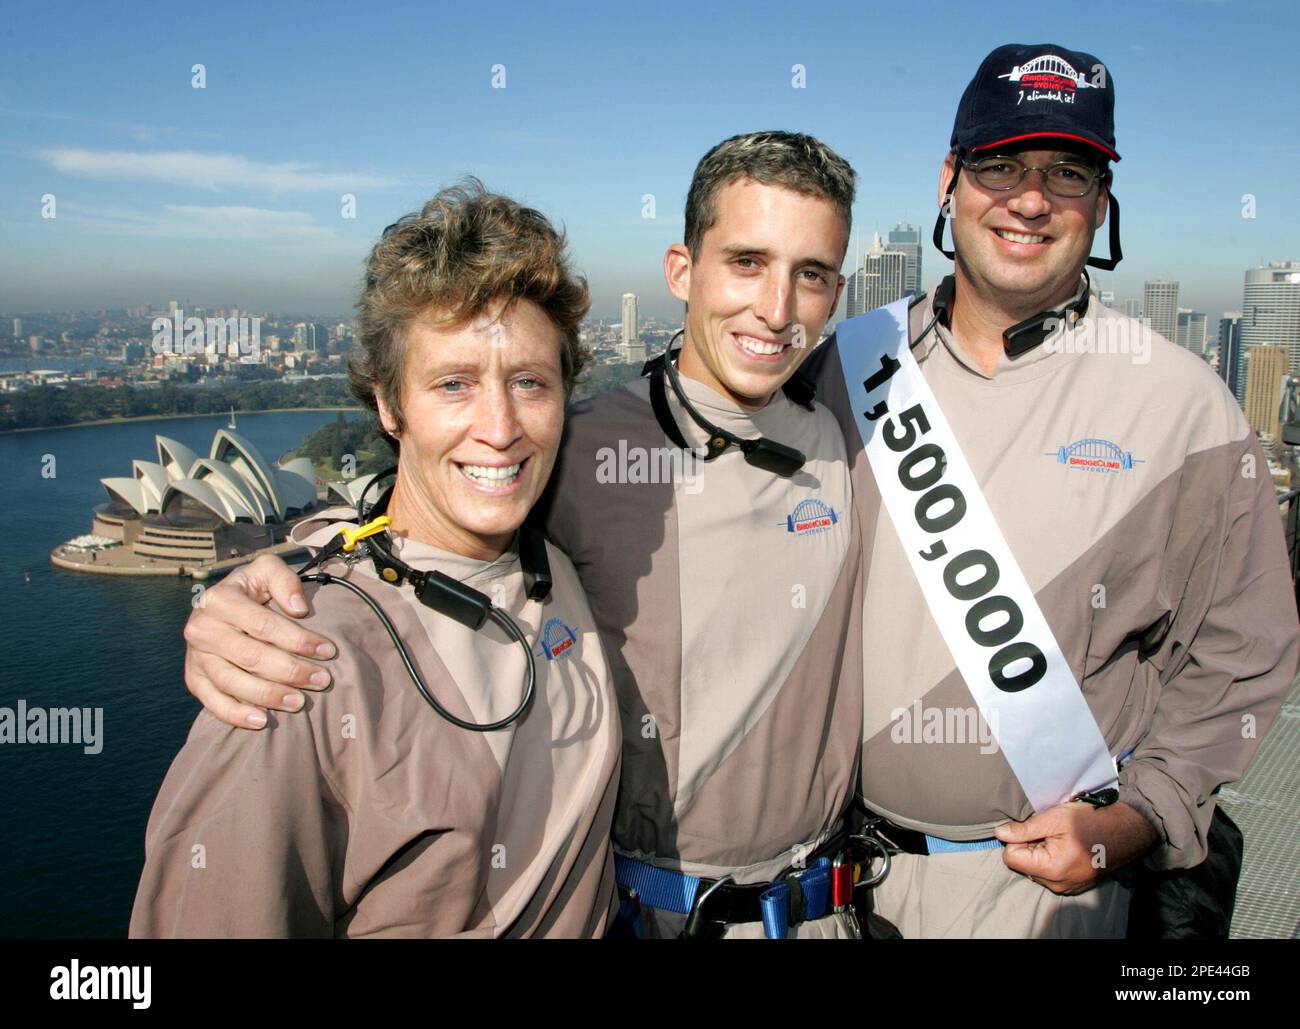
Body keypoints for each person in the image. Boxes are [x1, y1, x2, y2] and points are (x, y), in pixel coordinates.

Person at [175, 131, 873, 939]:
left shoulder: (853, 438)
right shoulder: (583, 451)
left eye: (811, 275)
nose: (776, 308)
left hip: (831, 905)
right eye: (747, 262)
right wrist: (276, 579)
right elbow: (421, 524)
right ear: (682, 271)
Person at [801, 42, 1299, 937]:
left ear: (1102, 203)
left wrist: (1135, 820)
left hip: (1052, 905)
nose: (1031, 198)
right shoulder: (841, 371)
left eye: (1067, 171)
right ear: (948, 180)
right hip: (833, 888)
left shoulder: (1185, 406)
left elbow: (1242, 653)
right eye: (1000, 164)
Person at [131, 181, 621, 938]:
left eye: (529, 382)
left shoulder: (562, 546)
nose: (499, 427)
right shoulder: (288, 667)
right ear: (390, 407)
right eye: (453, 385)